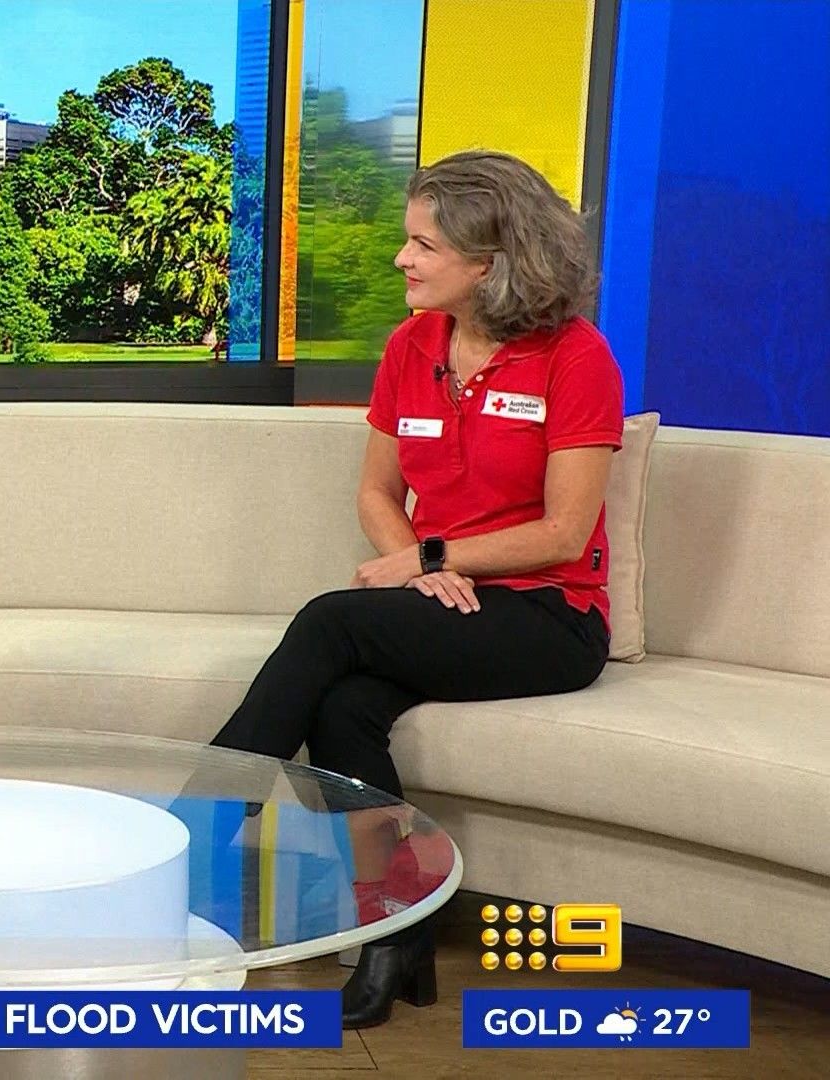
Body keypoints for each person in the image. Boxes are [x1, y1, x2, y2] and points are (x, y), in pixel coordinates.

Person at [210, 150, 622, 1028]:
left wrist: (432, 560)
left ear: (491, 261)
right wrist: (427, 571)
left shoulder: (575, 357)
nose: (402, 258)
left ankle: (199, 824)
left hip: (550, 614)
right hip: (450, 598)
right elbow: (375, 493)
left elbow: (565, 531)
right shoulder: (412, 346)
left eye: (424, 245)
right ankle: (395, 928)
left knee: (330, 624)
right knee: (345, 706)